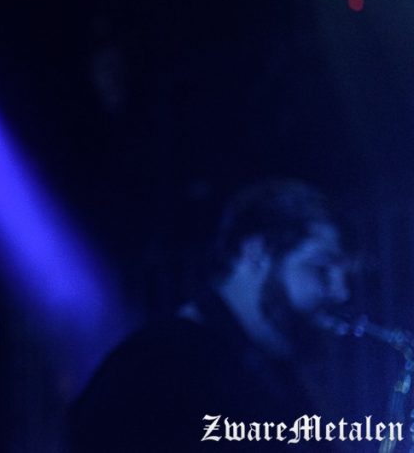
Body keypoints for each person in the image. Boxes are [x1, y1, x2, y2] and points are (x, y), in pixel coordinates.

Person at [68, 180, 354, 452]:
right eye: (321, 266)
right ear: (256, 251)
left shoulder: (278, 374)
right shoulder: (155, 367)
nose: (341, 292)